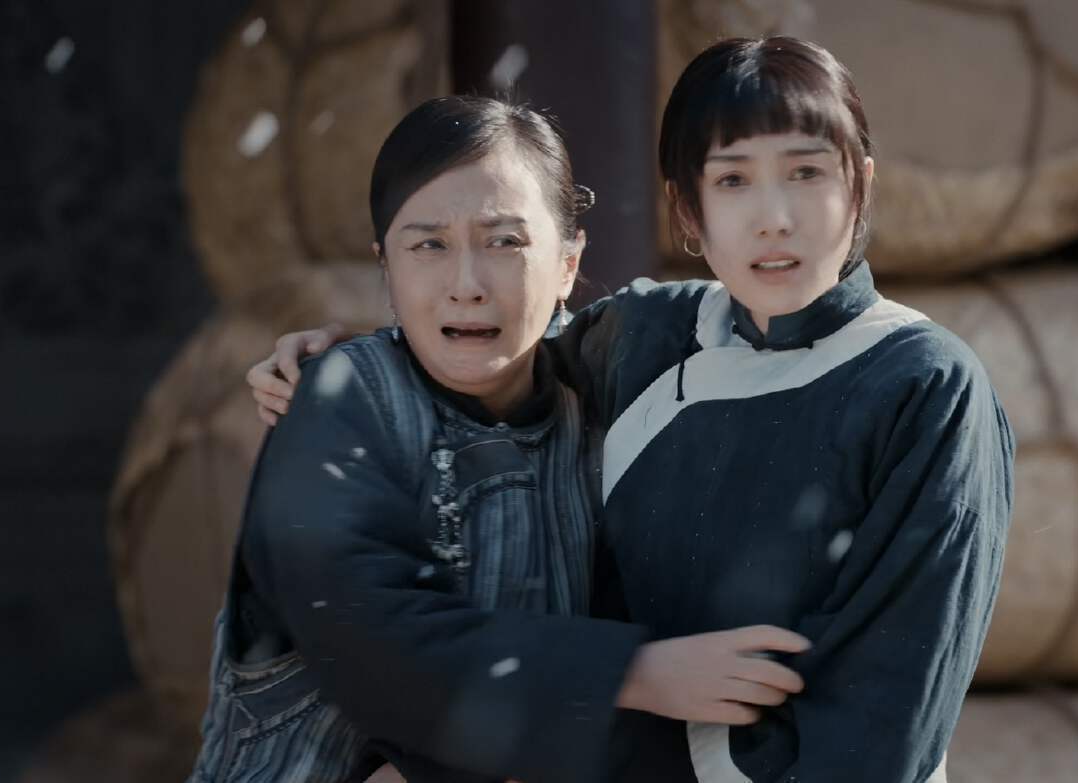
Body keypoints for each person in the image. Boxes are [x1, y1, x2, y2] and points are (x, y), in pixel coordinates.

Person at [253, 37, 1014, 782]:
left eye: (807, 173)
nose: (775, 217)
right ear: (687, 210)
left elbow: (884, 725)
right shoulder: (648, 336)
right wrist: (354, 361)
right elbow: (491, 358)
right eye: (733, 180)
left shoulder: (923, 386)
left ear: (860, 186)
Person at [192, 95, 811, 783]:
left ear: (568, 263)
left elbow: (750, 311)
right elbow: (375, 645)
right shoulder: (341, 404)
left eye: (505, 242)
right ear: (386, 270)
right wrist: (638, 673)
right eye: (428, 245)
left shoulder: (599, 384)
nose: (466, 285)